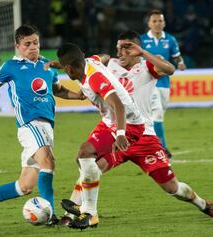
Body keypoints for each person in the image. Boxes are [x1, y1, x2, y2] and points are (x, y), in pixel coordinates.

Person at [59, 31, 213, 230]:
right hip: (117, 131)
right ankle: (73, 214)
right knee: (90, 163)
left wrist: (142, 52)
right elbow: (98, 58)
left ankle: (202, 204)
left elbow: (170, 69)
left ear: (136, 49)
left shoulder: (146, 67)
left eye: (126, 47)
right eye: (118, 47)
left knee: (171, 187)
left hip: (143, 135)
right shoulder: (109, 65)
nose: (120, 52)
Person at [0, 25, 84, 227]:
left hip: (46, 127)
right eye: (27, 44)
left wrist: (78, 96)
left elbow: (58, 90)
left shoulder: (47, 65)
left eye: (35, 43)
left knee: (25, 186)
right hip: (29, 125)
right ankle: (51, 217)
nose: (33, 47)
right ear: (17, 46)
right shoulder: (11, 66)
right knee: (48, 162)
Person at [55, 42, 146, 229]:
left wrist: (121, 134)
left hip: (128, 123)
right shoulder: (90, 62)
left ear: (69, 68)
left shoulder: (95, 78)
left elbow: (119, 105)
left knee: (85, 153)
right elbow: (103, 56)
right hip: (109, 121)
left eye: (65, 70)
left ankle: (89, 213)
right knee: (83, 161)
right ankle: (83, 207)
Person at [140, 9, 187, 158]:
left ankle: (145, 143)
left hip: (164, 83)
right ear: (149, 23)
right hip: (148, 83)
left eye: (160, 21)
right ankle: (162, 148)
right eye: (154, 21)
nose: (157, 24)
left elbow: (177, 57)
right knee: (157, 113)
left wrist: (181, 63)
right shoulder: (141, 40)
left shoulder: (170, 40)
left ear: (164, 23)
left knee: (158, 116)